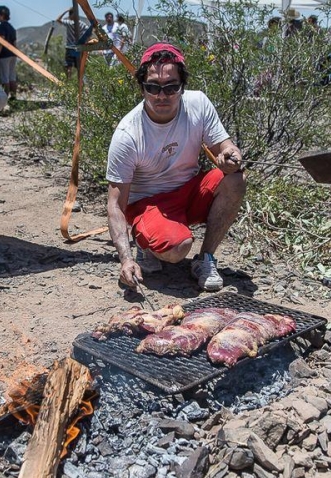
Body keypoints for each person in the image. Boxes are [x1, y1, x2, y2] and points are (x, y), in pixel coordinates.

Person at [106, 43, 246, 292]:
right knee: (177, 249)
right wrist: (125, 258)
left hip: (188, 192)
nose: (162, 95)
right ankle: (148, 245)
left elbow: (225, 147)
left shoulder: (198, 104)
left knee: (235, 179)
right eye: (153, 87)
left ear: (182, 87)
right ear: (142, 87)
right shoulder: (128, 133)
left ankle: (205, 259)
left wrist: (230, 157)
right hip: (148, 203)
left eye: (171, 87)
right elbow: (116, 204)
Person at [57, 8, 92, 79]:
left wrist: (66, 10)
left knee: (69, 67)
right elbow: (88, 33)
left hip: (70, 48)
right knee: (78, 67)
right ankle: (80, 83)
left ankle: (70, 82)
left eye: (70, 14)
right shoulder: (81, 24)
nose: (69, 16)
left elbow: (58, 19)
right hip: (77, 48)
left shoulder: (69, 23)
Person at [0, 5, 18, 100]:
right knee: (12, 77)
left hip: (4, 56)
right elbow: (15, 43)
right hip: (12, 55)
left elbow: (0, 42)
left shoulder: (1, 27)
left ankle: (4, 99)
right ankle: (14, 97)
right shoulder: (12, 28)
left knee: (4, 78)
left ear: (1, 15)